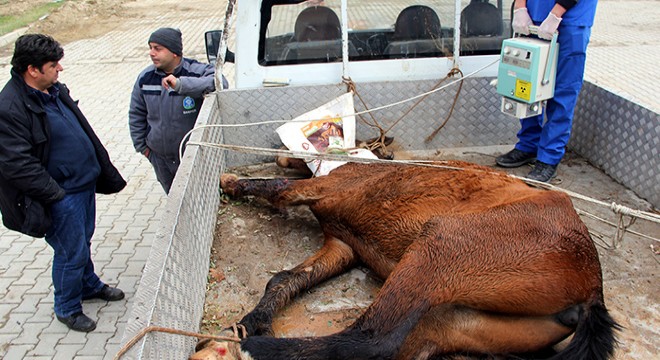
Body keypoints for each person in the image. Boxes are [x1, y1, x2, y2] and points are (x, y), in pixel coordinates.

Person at [0, 34, 127, 332]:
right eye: (53, 64)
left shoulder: (53, 90)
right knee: (71, 252)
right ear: (32, 69)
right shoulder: (9, 107)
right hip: (61, 195)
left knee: (83, 242)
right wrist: (56, 194)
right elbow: (17, 164)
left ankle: (88, 285)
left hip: (82, 187)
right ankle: (67, 307)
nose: (60, 69)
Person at [495, 0, 598, 182]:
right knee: (526, 82)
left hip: (569, 20)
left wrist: (556, 13)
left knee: (563, 90)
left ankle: (549, 156)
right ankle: (529, 144)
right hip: (534, 16)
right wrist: (520, 7)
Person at [129, 27, 225, 194]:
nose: (152, 53)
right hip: (160, 158)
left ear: (174, 52)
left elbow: (220, 81)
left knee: (198, 198)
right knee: (174, 199)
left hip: (192, 156)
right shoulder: (145, 77)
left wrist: (181, 84)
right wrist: (143, 148)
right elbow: (136, 113)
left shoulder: (196, 71)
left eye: (157, 48)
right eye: (150, 48)